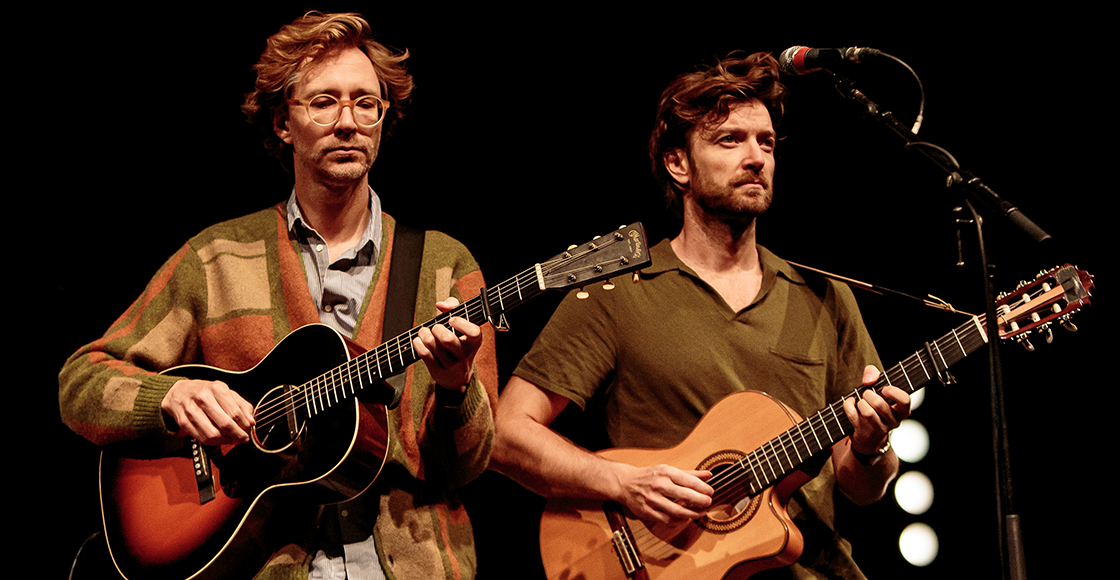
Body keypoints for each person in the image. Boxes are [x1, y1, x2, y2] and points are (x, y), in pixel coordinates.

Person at [58, 12, 496, 580]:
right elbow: (80, 382)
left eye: (367, 103)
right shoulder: (215, 258)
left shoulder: (445, 265)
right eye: (324, 102)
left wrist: (456, 388)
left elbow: (466, 468)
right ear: (283, 123)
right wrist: (171, 399)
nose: (349, 122)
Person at [490, 52, 910, 579]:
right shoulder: (616, 294)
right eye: (730, 140)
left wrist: (872, 449)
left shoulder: (824, 298)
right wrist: (622, 483)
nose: (756, 157)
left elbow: (862, 489)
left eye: (766, 142)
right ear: (678, 164)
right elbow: (506, 432)